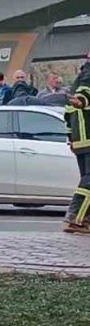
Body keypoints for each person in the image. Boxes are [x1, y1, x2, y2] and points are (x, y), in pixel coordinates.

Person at [63, 59, 90, 234]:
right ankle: (76, 218)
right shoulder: (87, 77)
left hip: (79, 142)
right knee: (89, 181)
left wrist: (71, 139)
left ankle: (85, 219)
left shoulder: (76, 82)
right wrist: (80, 101)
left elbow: (67, 116)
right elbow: (84, 95)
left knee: (86, 179)